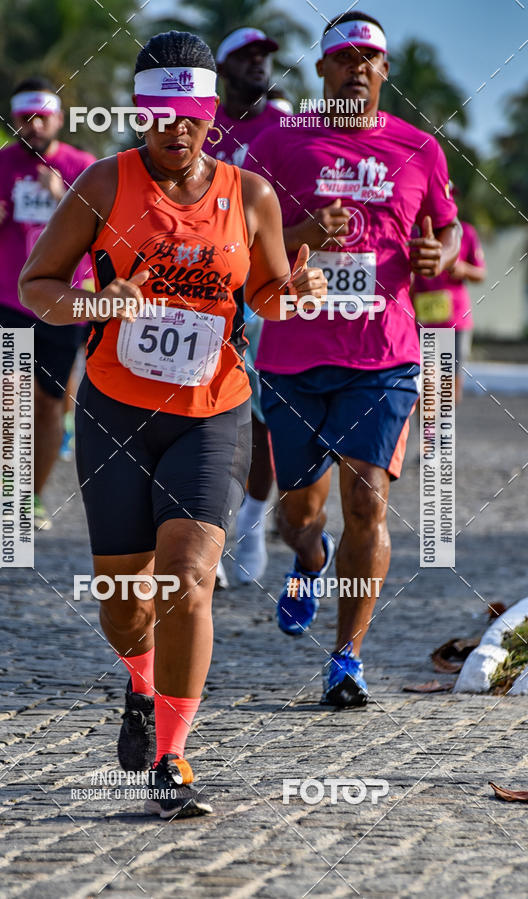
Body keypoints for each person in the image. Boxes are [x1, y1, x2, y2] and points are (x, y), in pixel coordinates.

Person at [19, 30, 326, 818]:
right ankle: (141, 680)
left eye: (190, 112)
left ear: (210, 112)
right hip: (116, 411)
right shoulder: (100, 185)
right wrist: (96, 303)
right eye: (159, 111)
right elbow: (37, 283)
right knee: (124, 600)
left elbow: (263, 296)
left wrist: (300, 291)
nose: (175, 127)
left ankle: (172, 756)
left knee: (188, 578)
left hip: (211, 410)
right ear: (140, 109)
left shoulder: (249, 194)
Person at [244, 10, 461, 707]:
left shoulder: (420, 147)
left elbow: (451, 232)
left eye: (370, 57)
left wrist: (441, 255)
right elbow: (242, 243)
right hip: (294, 356)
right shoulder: (279, 146)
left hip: (384, 355)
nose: (357, 67)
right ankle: (309, 561)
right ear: (321, 71)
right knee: (296, 519)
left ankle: (345, 660)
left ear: (385, 70)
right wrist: (305, 232)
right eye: (343, 57)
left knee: (368, 499)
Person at [0, 77, 95, 529]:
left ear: (58, 117)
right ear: (15, 121)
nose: (34, 126)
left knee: (50, 404)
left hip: (63, 299)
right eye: (25, 119)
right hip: (8, 298)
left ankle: (30, 495)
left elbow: (102, 228)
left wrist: (64, 199)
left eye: (43, 117)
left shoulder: (84, 166)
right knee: (5, 393)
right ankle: (8, 475)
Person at [209, 28, 284, 584]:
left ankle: (252, 524)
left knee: (260, 417)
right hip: (193, 286)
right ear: (223, 66)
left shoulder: (287, 127)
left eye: (265, 58)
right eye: (247, 57)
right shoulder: (196, 124)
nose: (259, 65)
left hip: (257, 289)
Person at [413, 211, 485, 403]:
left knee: (449, 388)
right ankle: (428, 432)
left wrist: (463, 269)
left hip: (456, 321)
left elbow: (480, 273)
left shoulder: (466, 232)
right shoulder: (412, 231)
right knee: (426, 388)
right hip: (422, 321)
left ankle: (442, 430)